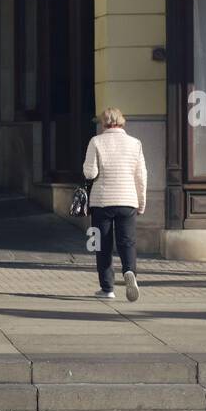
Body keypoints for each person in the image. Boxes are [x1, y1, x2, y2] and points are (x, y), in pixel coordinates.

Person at [83, 107, 147, 302]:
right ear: (122, 122)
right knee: (127, 242)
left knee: (101, 244)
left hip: (102, 201)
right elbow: (141, 176)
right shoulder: (135, 143)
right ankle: (129, 272)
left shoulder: (96, 141)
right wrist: (141, 202)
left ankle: (107, 288)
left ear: (104, 123)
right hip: (127, 200)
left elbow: (90, 173)